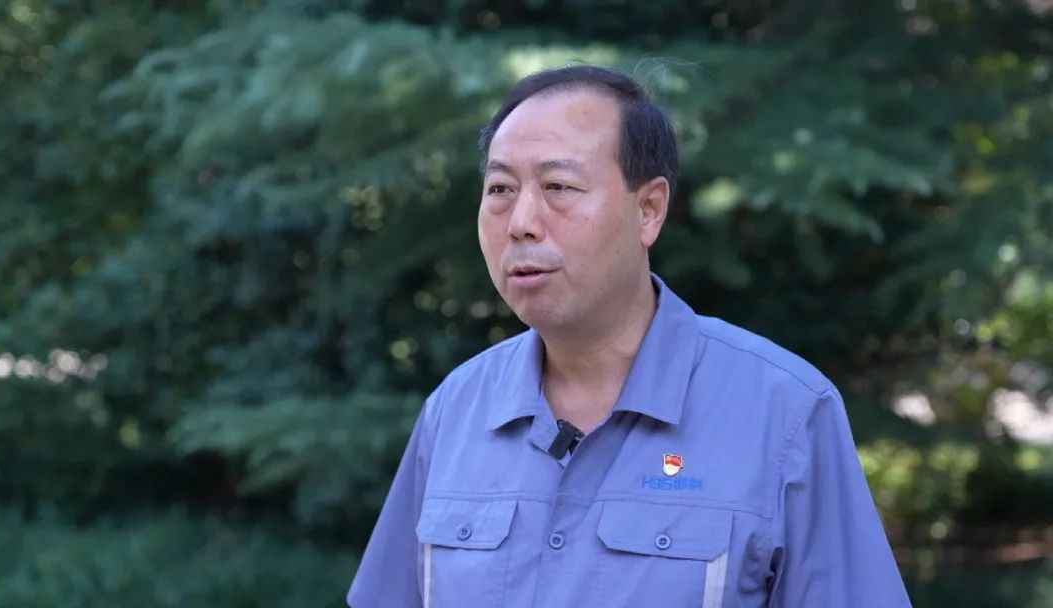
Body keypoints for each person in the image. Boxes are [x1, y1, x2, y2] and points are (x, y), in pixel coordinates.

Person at [347, 65, 912, 608]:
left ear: (649, 210)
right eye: (500, 189)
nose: (520, 222)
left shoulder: (784, 413)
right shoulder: (456, 411)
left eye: (559, 186)